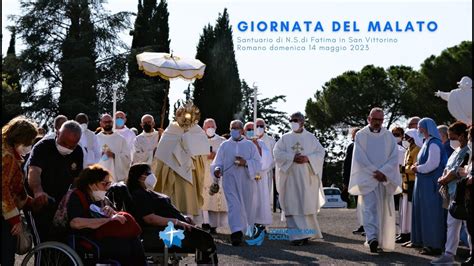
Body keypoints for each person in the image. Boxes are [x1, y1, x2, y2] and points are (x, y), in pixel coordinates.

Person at [126, 163, 218, 264]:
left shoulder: (144, 192)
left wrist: (184, 218)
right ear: (139, 177)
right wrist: (177, 222)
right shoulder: (138, 195)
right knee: (205, 239)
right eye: (148, 173)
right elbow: (150, 218)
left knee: (204, 238)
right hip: (160, 234)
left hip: (168, 230)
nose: (151, 175)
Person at [67, 164, 147, 265]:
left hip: (102, 236)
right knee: (126, 247)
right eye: (104, 184)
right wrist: (108, 220)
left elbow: (115, 216)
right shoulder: (77, 196)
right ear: (91, 184)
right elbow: (75, 223)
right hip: (85, 239)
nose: (107, 188)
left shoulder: (103, 199)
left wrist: (112, 212)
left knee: (133, 241)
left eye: (108, 184)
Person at [348, 107, 402, 253]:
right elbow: (359, 156)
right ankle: (372, 238)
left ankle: (382, 240)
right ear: (369, 119)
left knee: (384, 210)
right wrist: (374, 171)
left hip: (384, 179)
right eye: (375, 119)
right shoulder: (361, 135)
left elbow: (394, 157)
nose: (377, 122)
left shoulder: (388, 136)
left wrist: (383, 172)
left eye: (380, 120)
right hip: (368, 178)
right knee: (369, 209)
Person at [27, 120, 84, 242]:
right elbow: (34, 171)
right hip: (40, 200)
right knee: (42, 240)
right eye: (64, 143)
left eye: (72, 146)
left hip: (60, 203)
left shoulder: (78, 152)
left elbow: (76, 180)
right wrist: (38, 191)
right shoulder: (42, 147)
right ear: (57, 133)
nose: (67, 148)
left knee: (60, 239)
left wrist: (71, 198)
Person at [274, 112, 326, 246]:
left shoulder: (311, 138)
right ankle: (297, 236)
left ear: (302, 122)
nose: (293, 122)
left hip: (306, 178)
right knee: (292, 205)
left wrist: (308, 158)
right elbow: (277, 153)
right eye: (291, 120)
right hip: (290, 177)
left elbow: (321, 153)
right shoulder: (285, 138)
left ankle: (306, 234)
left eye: (295, 120)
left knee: (305, 205)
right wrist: (292, 157)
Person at [154, 103, 209, 223]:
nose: (185, 118)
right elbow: (162, 153)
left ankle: (190, 224)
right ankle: (173, 223)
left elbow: (202, 153)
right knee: (173, 201)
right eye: (181, 114)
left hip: (190, 172)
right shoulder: (171, 129)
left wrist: (188, 143)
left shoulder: (197, 131)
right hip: (172, 172)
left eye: (187, 114)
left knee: (188, 200)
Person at [211, 120, 262, 246]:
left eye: (237, 128)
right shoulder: (224, 145)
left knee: (246, 207)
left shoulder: (250, 145)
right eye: (232, 128)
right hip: (230, 181)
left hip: (246, 181)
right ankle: (236, 233)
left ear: (242, 130)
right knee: (234, 206)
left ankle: (245, 230)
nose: (234, 130)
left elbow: (258, 163)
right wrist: (217, 170)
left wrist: (246, 163)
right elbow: (217, 163)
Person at [1, 116, 41, 266]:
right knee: (6, 258)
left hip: (6, 211)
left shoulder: (9, 152)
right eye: (29, 141)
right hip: (4, 215)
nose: (30, 145)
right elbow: (4, 190)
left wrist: (29, 201)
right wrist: (14, 219)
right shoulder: (7, 156)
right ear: (21, 138)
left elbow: (15, 187)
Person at [431, 121, 471, 264]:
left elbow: (457, 171)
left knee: (468, 226)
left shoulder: (468, 150)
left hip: (464, 194)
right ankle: (448, 255)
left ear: (461, 135)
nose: (450, 140)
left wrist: (444, 179)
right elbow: (449, 167)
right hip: (453, 193)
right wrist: (444, 177)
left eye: (452, 137)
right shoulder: (457, 150)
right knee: (453, 224)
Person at [410, 118, 448, 255]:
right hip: (424, 183)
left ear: (426, 128)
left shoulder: (434, 144)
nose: (419, 130)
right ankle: (426, 243)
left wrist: (417, 168)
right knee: (425, 213)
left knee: (431, 215)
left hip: (430, 184)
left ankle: (434, 245)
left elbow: (433, 164)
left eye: (420, 127)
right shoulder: (427, 142)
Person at [243, 121, 273, 234]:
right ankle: (247, 225)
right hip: (246, 177)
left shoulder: (261, 143)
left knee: (261, 201)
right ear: (244, 131)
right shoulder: (241, 143)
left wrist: (257, 147)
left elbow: (267, 159)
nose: (251, 131)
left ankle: (260, 224)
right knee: (248, 202)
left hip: (260, 177)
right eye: (248, 129)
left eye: (252, 129)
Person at [201, 118, 228, 234]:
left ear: (216, 128)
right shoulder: (198, 140)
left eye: (212, 126)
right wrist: (204, 156)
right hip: (202, 174)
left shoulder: (222, 141)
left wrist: (216, 156)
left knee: (213, 199)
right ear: (203, 128)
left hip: (215, 175)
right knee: (203, 200)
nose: (210, 129)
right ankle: (203, 223)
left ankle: (213, 225)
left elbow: (227, 156)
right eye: (208, 127)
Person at [397, 129, 422, 246]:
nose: (405, 139)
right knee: (404, 210)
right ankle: (404, 233)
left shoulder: (417, 149)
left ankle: (409, 234)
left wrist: (402, 169)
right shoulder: (409, 149)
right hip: (405, 183)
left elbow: (415, 167)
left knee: (410, 211)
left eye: (407, 137)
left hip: (412, 182)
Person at [96, 114, 131, 183]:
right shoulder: (95, 138)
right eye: (105, 122)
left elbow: (127, 158)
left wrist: (114, 155)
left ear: (112, 122)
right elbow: (91, 157)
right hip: (99, 176)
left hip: (116, 177)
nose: (107, 124)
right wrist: (100, 154)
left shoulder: (120, 139)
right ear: (101, 123)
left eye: (109, 121)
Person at [342, 127, 364, 235]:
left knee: (366, 203)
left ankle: (368, 225)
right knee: (358, 204)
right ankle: (362, 224)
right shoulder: (351, 146)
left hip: (364, 179)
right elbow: (347, 164)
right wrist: (345, 181)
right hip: (354, 179)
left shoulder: (365, 146)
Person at [255, 118, 277, 210]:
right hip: (252, 173)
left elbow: (275, 157)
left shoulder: (271, 141)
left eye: (261, 126)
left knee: (264, 197)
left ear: (265, 128)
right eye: (257, 126)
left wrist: (268, 167)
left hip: (266, 174)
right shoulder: (250, 139)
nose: (259, 128)